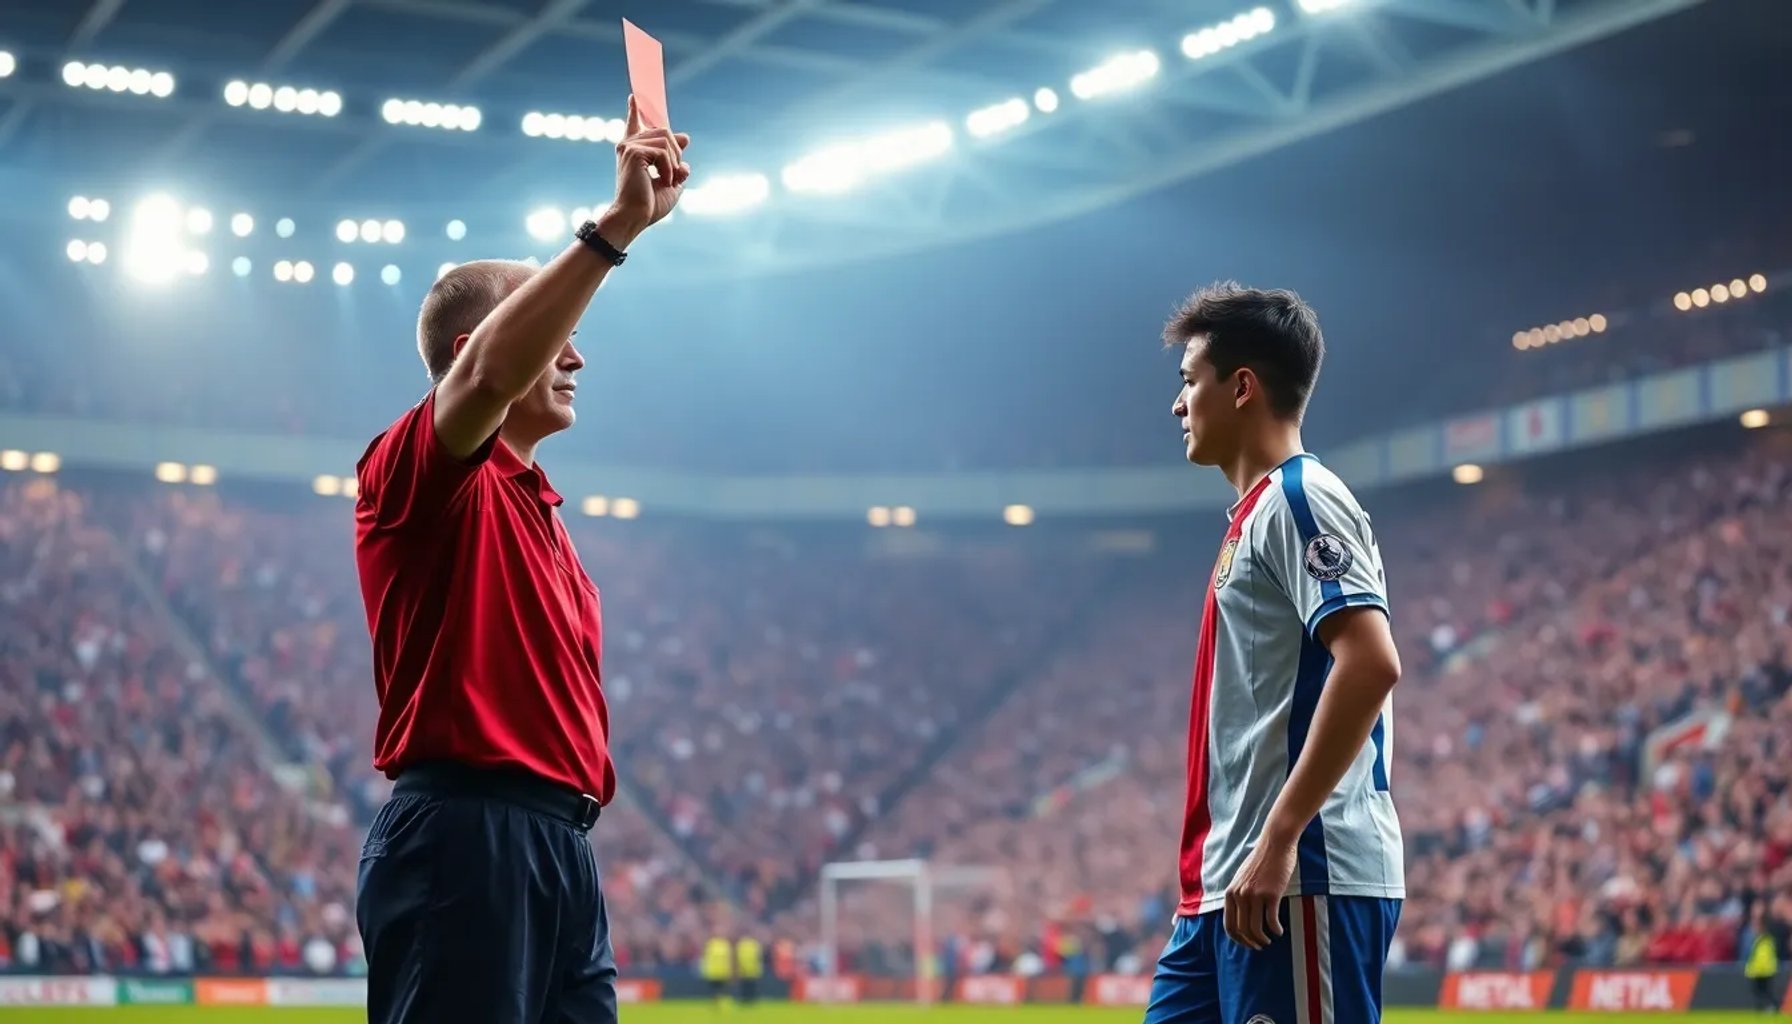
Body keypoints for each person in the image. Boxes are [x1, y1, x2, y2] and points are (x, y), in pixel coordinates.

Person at [351, 95, 690, 1024]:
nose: (577, 357)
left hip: (560, 848)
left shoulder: (543, 514)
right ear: (476, 350)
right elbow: (496, 376)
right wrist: (617, 227)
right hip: (464, 838)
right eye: (555, 333)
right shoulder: (414, 474)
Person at [1146, 283, 1404, 1024]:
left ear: (1242, 388)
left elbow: (1370, 661)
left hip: (1298, 882)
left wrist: (1281, 837)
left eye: (1190, 381)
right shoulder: (1255, 515)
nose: (1178, 404)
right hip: (1224, 893)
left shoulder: (1302, 499)